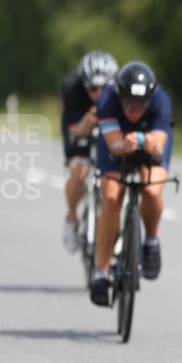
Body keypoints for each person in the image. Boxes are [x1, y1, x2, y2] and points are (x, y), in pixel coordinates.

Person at [89, 61, 173, 306]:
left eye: (142, 104)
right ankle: (101, 274)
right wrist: (123, 147)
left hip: (150, 145)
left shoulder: (161, 101)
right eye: (129, 104)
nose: (135, 111)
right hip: (116, 145)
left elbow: (159, 143)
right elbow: (114, 145)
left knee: (151, 189)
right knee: (112, 196)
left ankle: (152, 241)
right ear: (120, 95)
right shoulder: (106, 100)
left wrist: (152, 145)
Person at [60, 50, 119, 253]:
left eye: (105, 87)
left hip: (111, 132)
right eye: (93, 88)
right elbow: (72, 132)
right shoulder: (73, 90)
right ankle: (72, 217)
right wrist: (86, 122)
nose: (99, 93)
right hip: (81, 126)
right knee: (80, 172)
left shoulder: (121, 91)